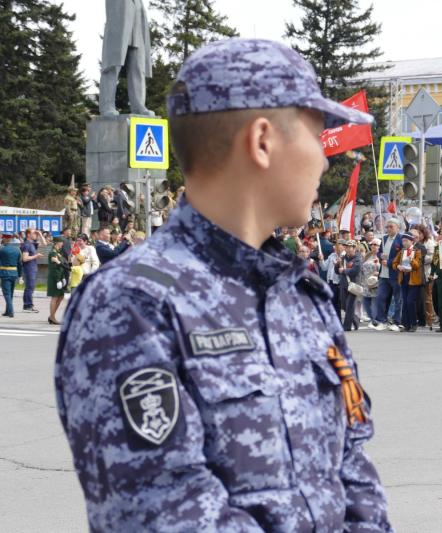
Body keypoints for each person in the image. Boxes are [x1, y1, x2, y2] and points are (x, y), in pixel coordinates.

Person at [55, 39, 391, 532]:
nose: (324, 160)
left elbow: (353, 473)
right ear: (261, 141)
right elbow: (166, 512)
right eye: (318, 136)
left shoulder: (303, 297)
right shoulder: (133, 304)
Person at [371, 217, 403, 331]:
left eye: (391, 227)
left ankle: (397, 321)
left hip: (395, 273)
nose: (388, 229)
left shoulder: (401, 239)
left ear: (397, 228)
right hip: (383, 274)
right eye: (387, 227)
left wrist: (389, 262)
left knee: (398, 299)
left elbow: (402, 256)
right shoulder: (384, 239)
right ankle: (381, 320)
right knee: (381, 297)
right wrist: (380, 257)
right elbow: (379, 253)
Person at [393, 233, 422, 332]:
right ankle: (406, 324)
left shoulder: (417, 251)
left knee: (410, 302)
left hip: (413, 280)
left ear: (411, 241)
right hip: (404, 279)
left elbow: (417, 265)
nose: (404, 243)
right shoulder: (402, 252)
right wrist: (398, 267)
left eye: (406, 241)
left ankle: (414, 323)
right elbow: (394, 263)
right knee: (405, 302)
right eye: (403, 241)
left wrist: (411, 260)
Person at [337, 240, 363, 332]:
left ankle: (346, 326)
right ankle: (355, 319)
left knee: (350, 306)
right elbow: (337, 271)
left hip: (353, 284)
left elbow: (355, 271)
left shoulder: (358, 258)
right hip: (344, 284)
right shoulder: (343, 258)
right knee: (344, 305)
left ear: (354, 248)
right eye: (346, 247)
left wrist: (344, 271)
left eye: (349, 247)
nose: (347, 249)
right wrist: (337, 264)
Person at [20, 228, 43, 313]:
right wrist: (36, 256)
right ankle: (28, 306)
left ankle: (27, 305)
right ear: (28, 234)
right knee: (30, 287)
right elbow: (25, 258)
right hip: (29, 268)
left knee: (30, 287)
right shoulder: (27, 244)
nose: (35, 234)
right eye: (34, 233)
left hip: (32, 268)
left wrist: (40, 234)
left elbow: (44, 244)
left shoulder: (32, 244)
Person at [0, 234, 22, 317]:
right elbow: (20, 264)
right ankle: (7, 311)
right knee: (10, 293)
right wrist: (20, 276)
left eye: (3, 239)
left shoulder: (2, 250)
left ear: (5, 239)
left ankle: (11, 311)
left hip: (5, 274)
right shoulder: (17, 250)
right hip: (14, 274)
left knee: (7, 294)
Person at [47, 237, 67, 325]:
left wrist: (62, 278)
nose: (62, 244)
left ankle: (52, 315)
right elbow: (53, 268)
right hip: (54, 278)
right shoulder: (53, 253)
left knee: (61, 296)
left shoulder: (58, 253)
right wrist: (58, 280)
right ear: (57, 243)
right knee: (55, 297)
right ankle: (52, 317)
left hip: (59, 277)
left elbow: (60, 267)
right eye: (61, 242)